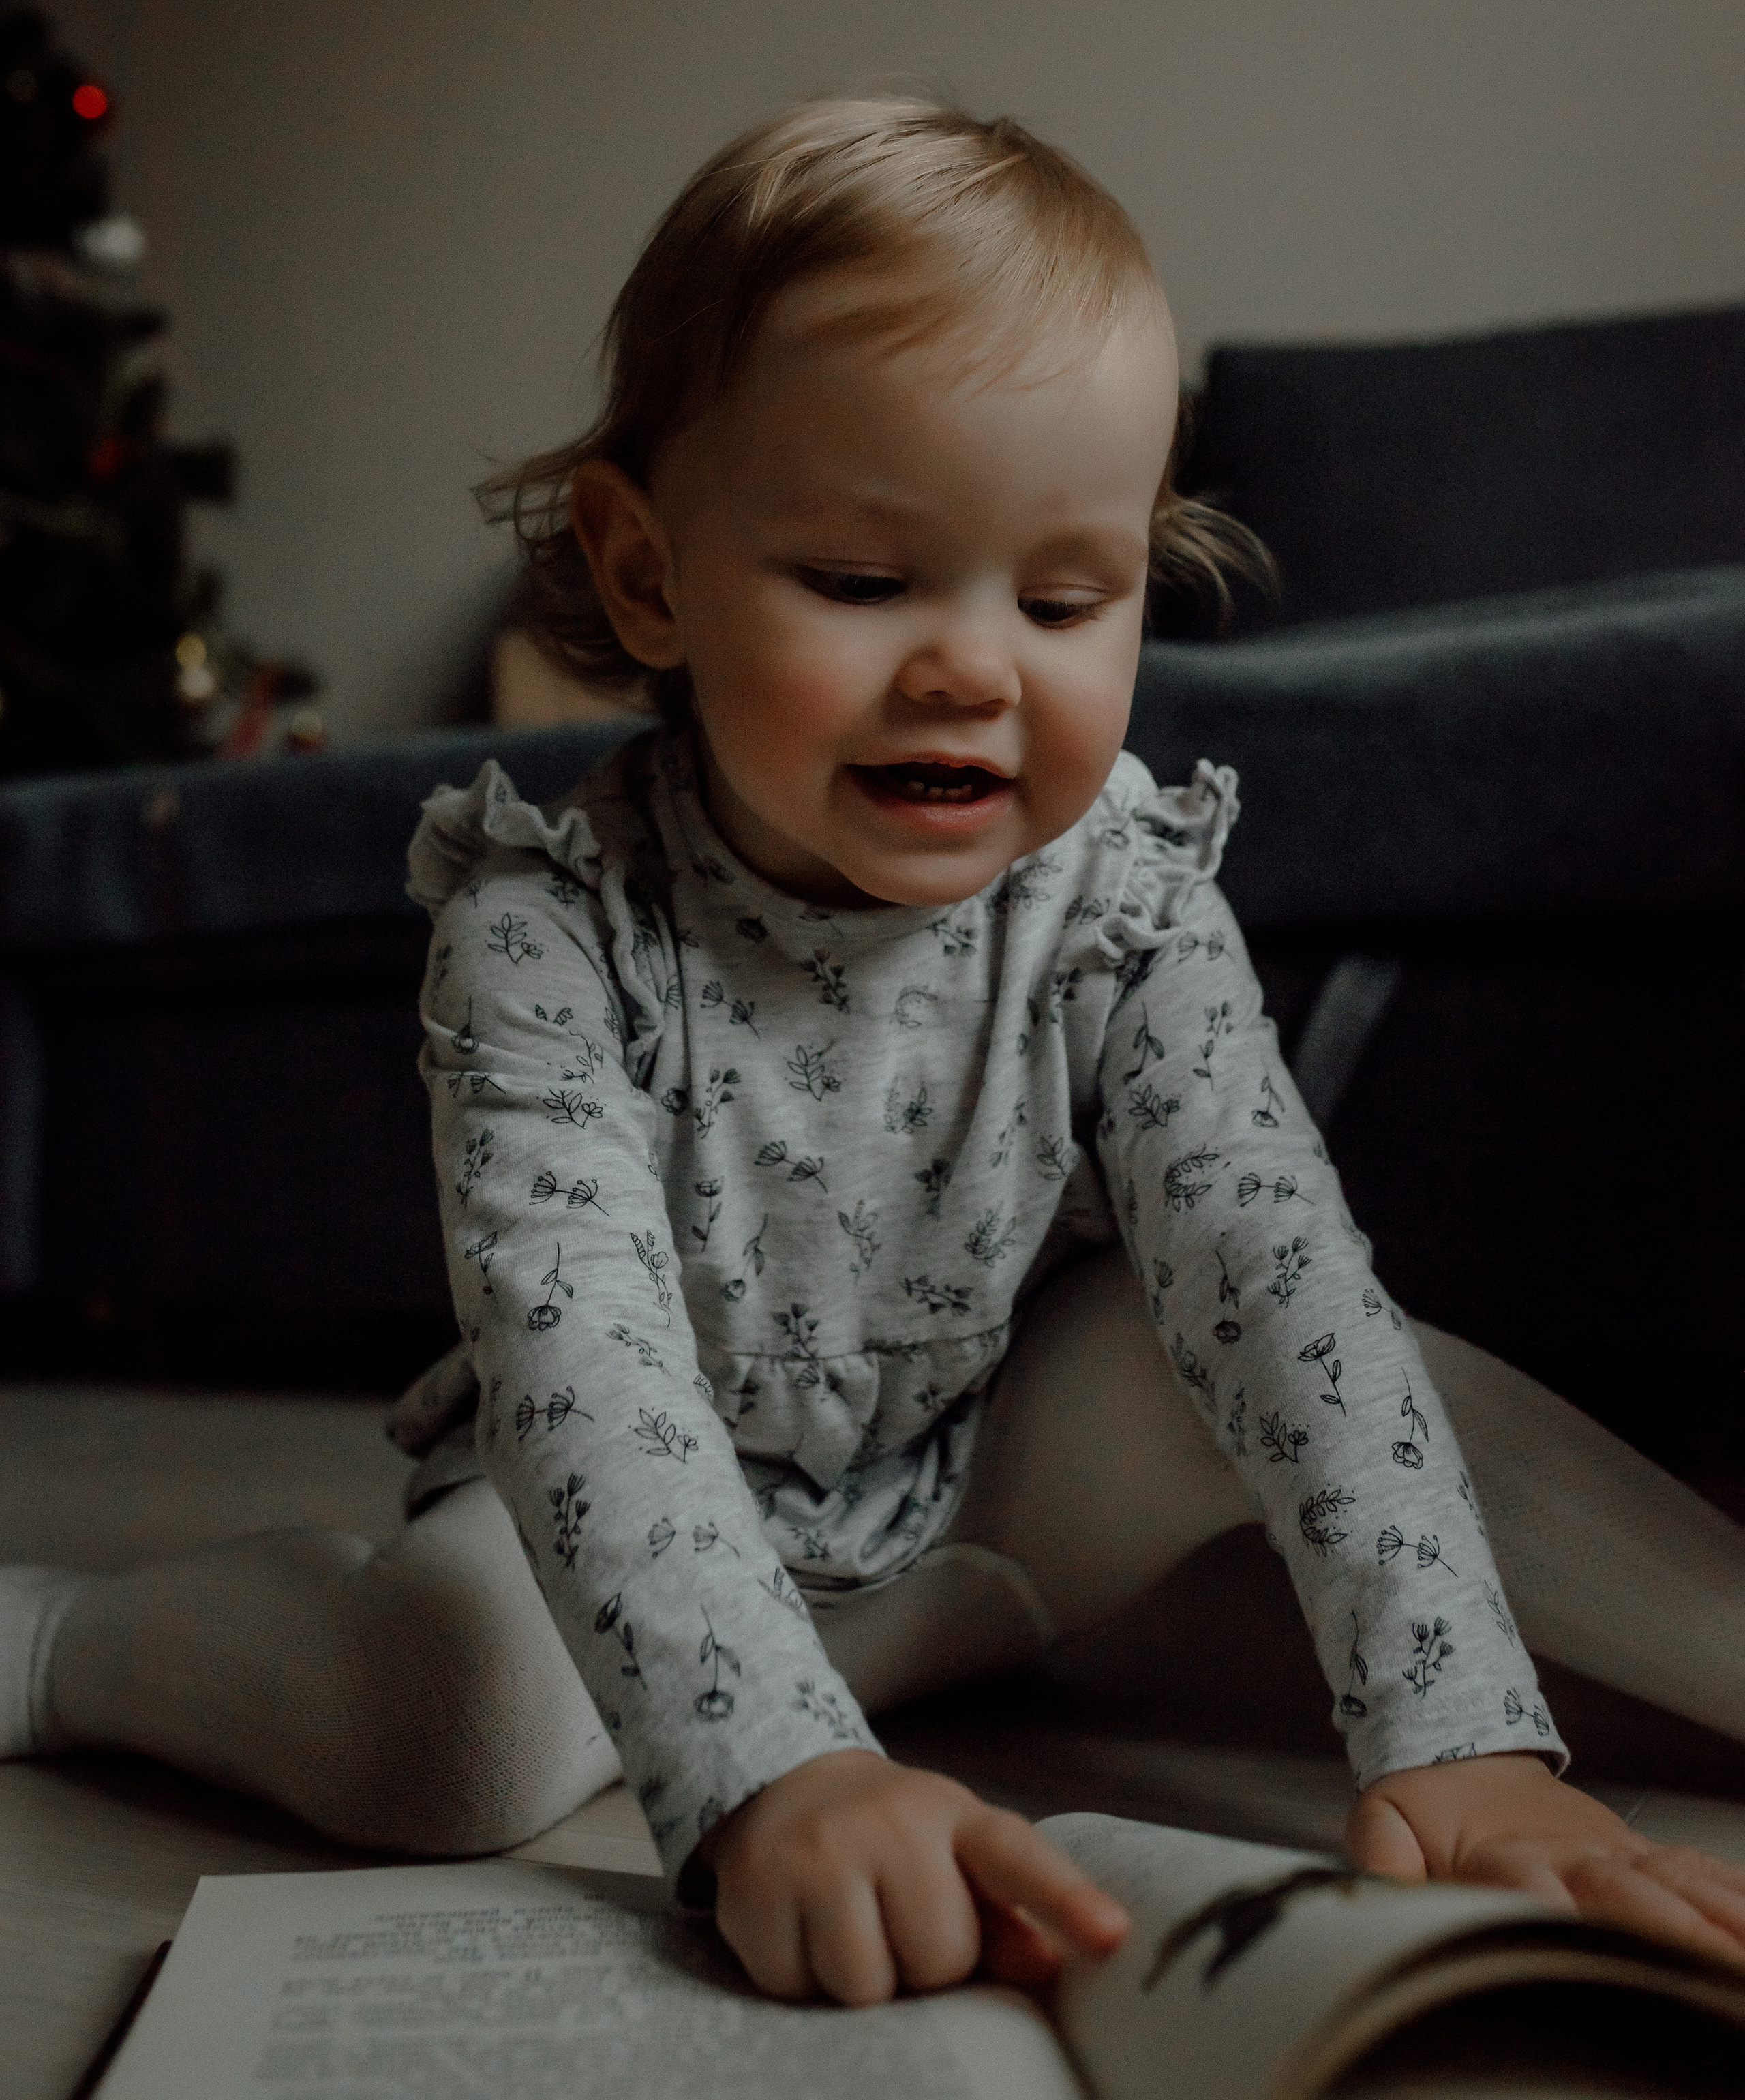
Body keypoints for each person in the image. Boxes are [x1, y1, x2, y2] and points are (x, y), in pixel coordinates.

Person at [7, 97, 1745, 2006]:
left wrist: (1459, 1729)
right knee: (446, 1730)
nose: (975, 669)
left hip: (989, 1492)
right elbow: (586, 1370)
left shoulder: (1124, 899)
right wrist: (777, 1767)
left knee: (1306, 1329)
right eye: (859, 581)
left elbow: (1274, 1272)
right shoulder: (543, 925)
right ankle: (66, 1642)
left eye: (1065, 599)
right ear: (649, 573)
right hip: (635, 1512)